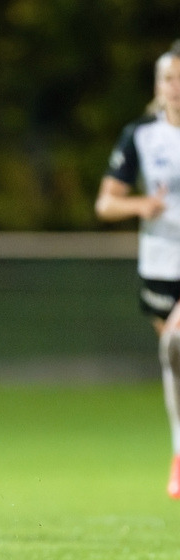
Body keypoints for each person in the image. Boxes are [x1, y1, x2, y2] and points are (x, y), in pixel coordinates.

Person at [96, 41, 180, 499]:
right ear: (158, 85)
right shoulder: (142, 136)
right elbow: (106, 203)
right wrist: (141, 203)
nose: (176, 88)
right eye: (169, 79)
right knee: (175, 357)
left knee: (175, 339)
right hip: (161, 266)